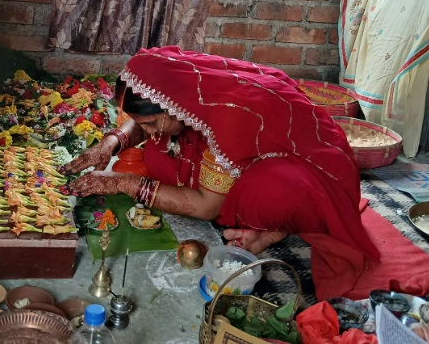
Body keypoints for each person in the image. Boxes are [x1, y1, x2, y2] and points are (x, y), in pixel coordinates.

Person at [61, 45, 380, 262]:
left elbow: (206, 207)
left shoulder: (225, 119)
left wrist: (122, 184)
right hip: (216, 143)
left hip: (307, 169)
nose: (148, 131)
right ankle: (264, 227)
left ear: (172, 107)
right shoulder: (175, 93)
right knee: (158, 155)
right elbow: (142, 118)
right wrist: (111, 142)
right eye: (143, 124)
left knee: (272, 192)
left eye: (152, 122)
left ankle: (277, 225)